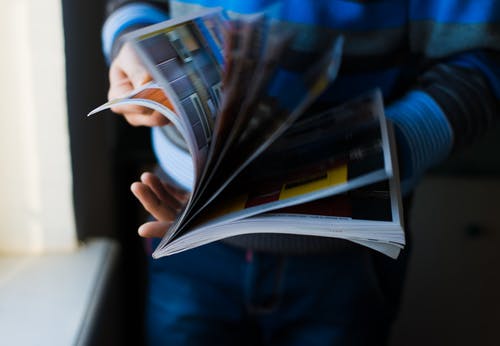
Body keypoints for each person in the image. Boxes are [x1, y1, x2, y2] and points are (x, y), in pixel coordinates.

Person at [102, 1, 500, 345]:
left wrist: (369, 153)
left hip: (344, 251)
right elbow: (134, 5)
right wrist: (135, 47)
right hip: (183, 233)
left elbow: (479, 66)